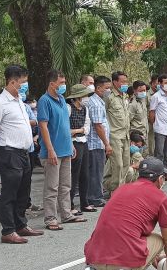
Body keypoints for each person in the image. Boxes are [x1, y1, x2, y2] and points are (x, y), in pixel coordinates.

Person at [83, 157, 167, 270]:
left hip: (94, 259)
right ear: (160, 179)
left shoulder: (122, 189)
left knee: (132, 234)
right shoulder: (161, 198)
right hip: (120, 261)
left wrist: (153, 257)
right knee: (160, 240)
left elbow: (128, 228)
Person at [0, 65, 44, 244]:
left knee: (23, 192)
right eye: (22, 82)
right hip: (9, 152)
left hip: (24, 152)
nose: (25, 86)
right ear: (12, 82)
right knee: (9, 193)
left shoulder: (19, 100)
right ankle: (8, 230)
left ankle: (20, 224)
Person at [37, 70, 87, 231]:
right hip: (53, 151)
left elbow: (65, 126)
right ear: (52, 84)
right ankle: (50, 218)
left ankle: (66, 213)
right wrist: (50, 149)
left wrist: (70, 144)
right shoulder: (44, 101)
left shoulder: (61, 101)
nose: (63, 86)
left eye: (64, 82)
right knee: (52, 186)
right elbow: (43, 126)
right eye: (61, 83)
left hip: (66, 149)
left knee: (66, 185)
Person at [68, 83, 96, 213]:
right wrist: (78, 130)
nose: (86, 98)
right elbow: (67, 131)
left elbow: (87, 129)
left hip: (83, 142)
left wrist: (78, 130)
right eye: (84, 96)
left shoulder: (85, 109)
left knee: (85, 173)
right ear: (77, 97)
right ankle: (70, 204)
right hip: (73, 143)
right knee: (74, 174)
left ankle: (84, 202)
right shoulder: (68, 108)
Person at [86, 76, 112, 207]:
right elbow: (98, 126)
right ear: (98, 88)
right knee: (96, 171)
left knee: (96, 170)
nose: (108, 91)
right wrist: (107, 143)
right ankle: (95, 197)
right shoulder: (95, 103)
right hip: (95, 143)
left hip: (97, 143)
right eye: (106, 88)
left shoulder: (98, 101)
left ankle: (95, 195)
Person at [106, 71, 131, 191]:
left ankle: (121, 190)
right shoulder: (109, 97)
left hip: (126, 135)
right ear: (115, 82)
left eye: (126, 81)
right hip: (114, 135)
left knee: (126, 164)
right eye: (122, 81)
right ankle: (113, 189)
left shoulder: (125, 96)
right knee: (118, 165)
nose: (125, 84)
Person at [149, 75, 167, 181]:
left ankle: (166, 172)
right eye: (165, 83)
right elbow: (152, 112)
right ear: (160, 84)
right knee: (159, 153)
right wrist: (155, 125)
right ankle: (158, 174)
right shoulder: (156, 97)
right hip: (160, 128)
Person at [128, 81, 149, 155]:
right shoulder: (132, 104)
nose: (143, 92)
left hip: (144, 132)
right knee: (136, 157)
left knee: (145, 155)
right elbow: (128, 121)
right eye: (140, 91)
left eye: (144, 90)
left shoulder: (143, 100)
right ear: (134, 90)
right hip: (136, 136)